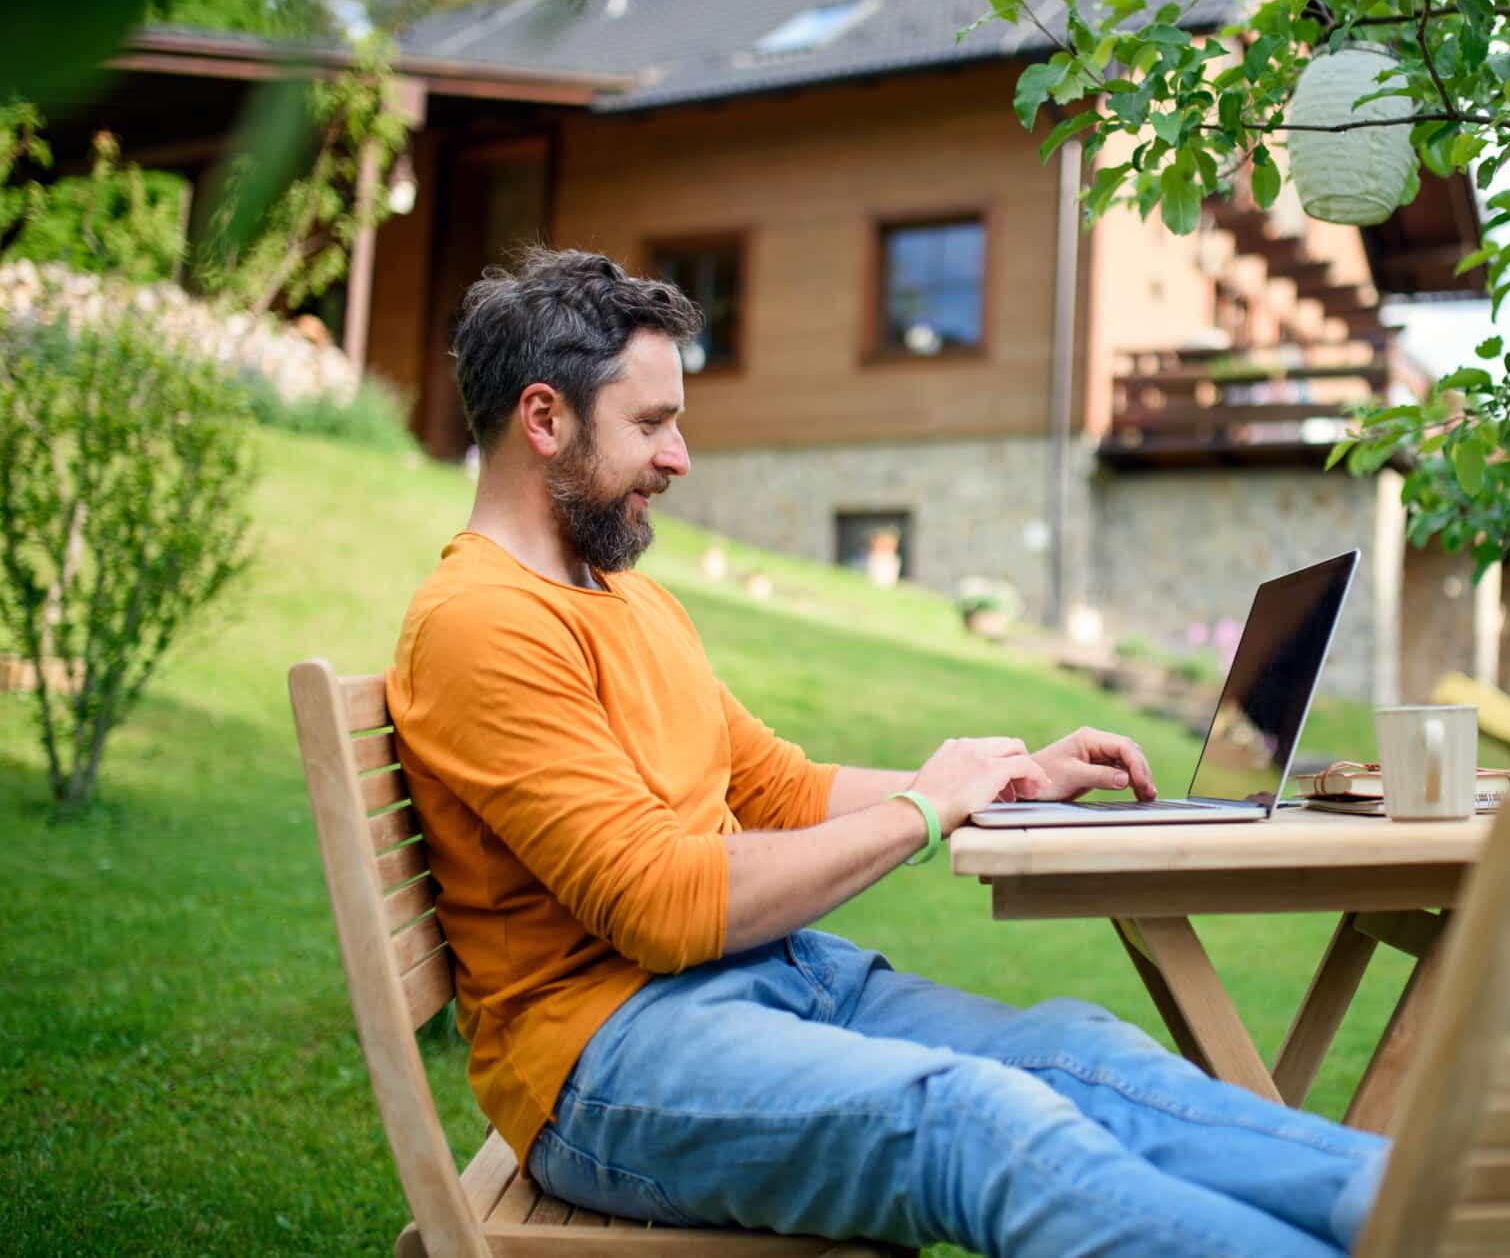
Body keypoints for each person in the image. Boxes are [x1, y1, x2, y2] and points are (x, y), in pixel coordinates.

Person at [386, 248, 1388, 1258]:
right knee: (974, 1125)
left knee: (1085, 1058)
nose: (680, 455)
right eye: (650, 422)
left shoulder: (627, 597)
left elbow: (773, 786)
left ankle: (1427, 1218)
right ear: (545, 418)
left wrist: (1000, 778)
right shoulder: (482, 625)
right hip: (608, 1064)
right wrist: (924, 811)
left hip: (771, 982)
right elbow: (660, 904)